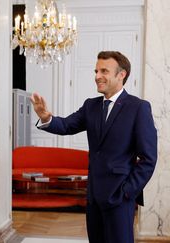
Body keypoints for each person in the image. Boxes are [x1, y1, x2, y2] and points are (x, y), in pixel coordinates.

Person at [30, 51, 157, 243]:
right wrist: (46, 117)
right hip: (93, 197)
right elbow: (66, 125)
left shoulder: (138, 108)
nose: (97, 76)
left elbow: (148, 159)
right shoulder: (91, 106)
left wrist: (126, 192)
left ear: (121, 75)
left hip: (120, 198)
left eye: (104, 71)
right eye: (96, 71)